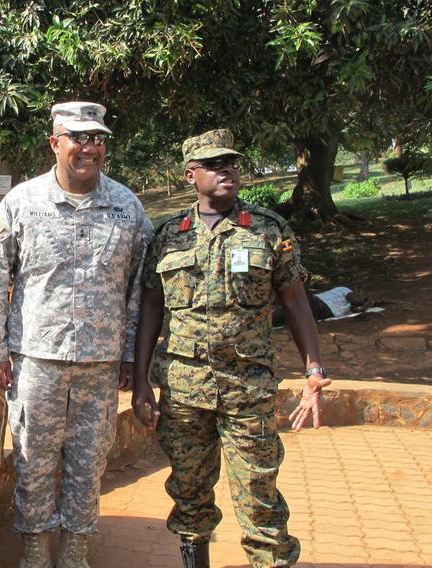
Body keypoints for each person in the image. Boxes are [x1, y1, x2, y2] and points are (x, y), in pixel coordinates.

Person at [131, 129, 331, 568]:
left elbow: (295, 299)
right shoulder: (167, 235)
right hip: (184, 391)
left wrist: (313, 367)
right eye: (214, 164)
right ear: (190, 174)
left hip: (248, 389)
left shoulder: (267, 228)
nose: (227, 171)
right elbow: (151, 307)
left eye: (232, 163)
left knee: (259, 495)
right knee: (189, 493)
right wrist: (141, 380)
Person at [0, 101, 153, 568]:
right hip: (36, 359)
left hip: (100, 361)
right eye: (78, 138)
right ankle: (36, 549)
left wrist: (133, 354)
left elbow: (141, 286)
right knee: (33, 458)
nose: (89, 148)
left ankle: (75, 549)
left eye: (97, 139)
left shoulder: (127, 207)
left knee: (89, 462)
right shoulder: (21, 202)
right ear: (55, 143)